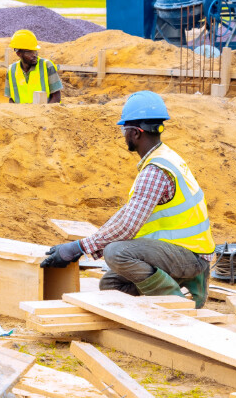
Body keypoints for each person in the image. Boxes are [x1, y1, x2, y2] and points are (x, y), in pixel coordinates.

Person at [40, 91, 215, 308]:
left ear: (135, 133)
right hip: (180, 250)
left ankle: (177, 304)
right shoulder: (164, 158)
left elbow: (127, 228)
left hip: (189, 255)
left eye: (125, 130)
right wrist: (84, 246)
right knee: (112, 286)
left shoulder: (155, 171)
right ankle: (185, 280)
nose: (124, 135)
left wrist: (78, 248)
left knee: (116, 252)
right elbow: (125, 214)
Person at [5, 29, 62, 104]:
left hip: (43, 114)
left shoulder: (47, 65)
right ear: (18, 53)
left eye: (35, 51)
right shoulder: (11, 70)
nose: (34, 55)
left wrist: (44, 113)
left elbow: (56, 96)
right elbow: (11, 99)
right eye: (29, 52)